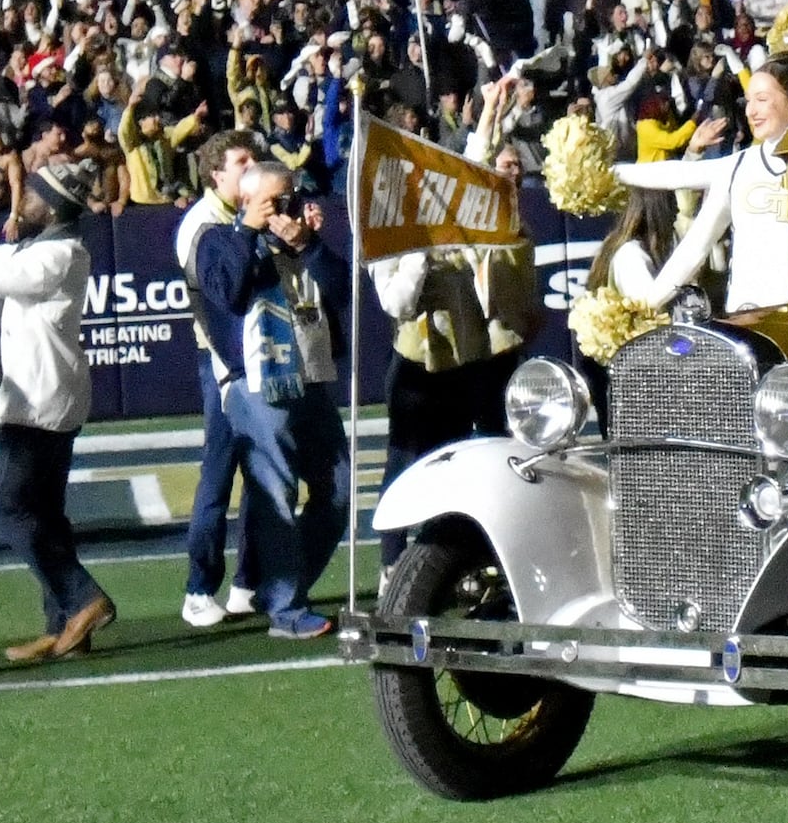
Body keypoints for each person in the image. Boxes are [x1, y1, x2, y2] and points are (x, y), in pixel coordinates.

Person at [0, 161, 117, 663]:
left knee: (8, 506)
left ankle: (83, 599)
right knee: (45, 513)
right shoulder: (37, 249)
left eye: (33, 195)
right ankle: (66, 626)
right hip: (45, 395)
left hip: (39, 400)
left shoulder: (58, 255)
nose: (22, 201)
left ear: (54, 206)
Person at [186, 165, 341, 642]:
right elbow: (229, 294)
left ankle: (280, 584)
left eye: (291, 198)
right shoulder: (216, 239)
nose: (288, 209)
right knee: (276, 492)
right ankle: (285, 607)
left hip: (308, 375)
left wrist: (310, 246)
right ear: (248, 202)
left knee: (338, 489)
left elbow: (344, 293)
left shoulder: (299, 242)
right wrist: (249, 231)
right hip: (254, 380)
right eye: (278, 201)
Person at [370, 138, 538, 563]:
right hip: (416, 368)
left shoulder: (465, 229)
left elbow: (477, 165)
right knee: (406, 464)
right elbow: (397, 305)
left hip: (465, 363)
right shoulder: (391, 236)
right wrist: (421, 256)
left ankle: (449, 555)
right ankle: (392, 561)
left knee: (461, 462)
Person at [611, 50, 788, 311]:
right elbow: (694, 245)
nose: (751, 111)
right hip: (751, 315)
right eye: (748, 101)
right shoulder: (740, 167)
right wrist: (648, 304)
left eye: (762, 99)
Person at [175, 128, 271, 629]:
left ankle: (247, 581)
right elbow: (222, 296)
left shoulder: (249, 211)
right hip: (222, 361)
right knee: (219, 472)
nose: (251, 168)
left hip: (261, 356)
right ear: (216, 173)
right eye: (240, 161)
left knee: (264, 473)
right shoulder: (201, 224)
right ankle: (198, 587)